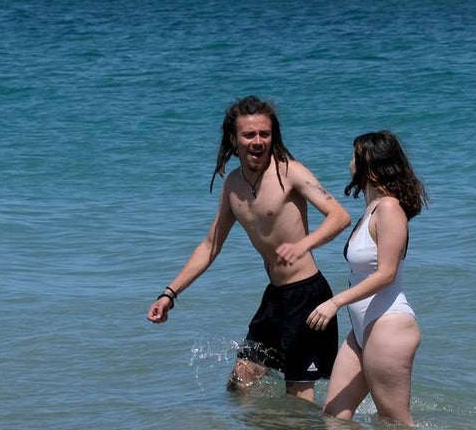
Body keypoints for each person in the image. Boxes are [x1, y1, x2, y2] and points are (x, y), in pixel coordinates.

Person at [147, 96, 351, 402]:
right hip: (275, 298)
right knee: (240, 383)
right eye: (249, 135)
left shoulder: (290, 172)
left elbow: (340, 216)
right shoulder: (233, 186)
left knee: (297, 396)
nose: (258, 141)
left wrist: (303, 244)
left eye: (264, 134)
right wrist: (169, 294)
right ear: (234, 139)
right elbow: (210, 245)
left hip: (307, 296)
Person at [307, 131, 428, 426]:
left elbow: (386, 274)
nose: (350, 163)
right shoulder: (371, 210)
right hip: (362, 331)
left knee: (395, 423)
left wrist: (334, 302)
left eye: (354, 156)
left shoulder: (389, 208)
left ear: (370, 164)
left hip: (388, 326)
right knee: (334, 418)